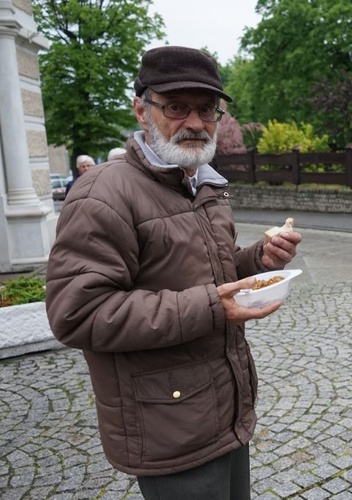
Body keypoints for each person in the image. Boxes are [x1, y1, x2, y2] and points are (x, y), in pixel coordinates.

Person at [45, 46, 302, 500]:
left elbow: (213, 273)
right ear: (142, 110)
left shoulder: (204, 184)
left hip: (225, 406)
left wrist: (260, 259)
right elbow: (77, 313)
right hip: (168, 422)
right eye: (177, 107)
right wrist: (211, 306)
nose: (195, 122)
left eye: (206, 109)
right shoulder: (102, 192)